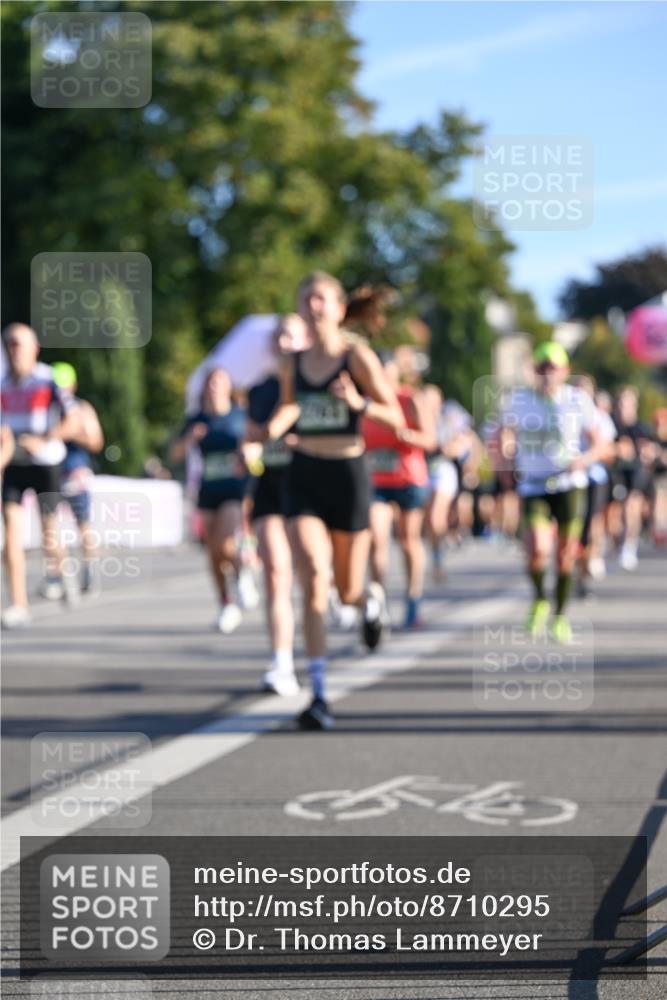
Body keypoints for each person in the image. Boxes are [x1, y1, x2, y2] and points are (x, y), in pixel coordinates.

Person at [261, 272, 404, 730]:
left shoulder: (356, 357)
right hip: (304, 474)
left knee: (346, 589)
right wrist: (273, 427)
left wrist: (359, 402)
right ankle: (319, 695)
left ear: (339, 308)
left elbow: (394, 416)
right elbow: (290, 405)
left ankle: (370, 601)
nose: (313, 306)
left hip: (348, 475)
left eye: (321, 298)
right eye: (306, 299)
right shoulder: (293, 362)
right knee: (313, 577)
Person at [498, 342, 602, 644]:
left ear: (565, 371)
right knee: (537, 550)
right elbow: (503, 430)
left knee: (567, 555)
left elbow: (600, 442)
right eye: (542, 368)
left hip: (569, 485)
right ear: (534, 371)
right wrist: (506, 452)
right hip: (534, 484)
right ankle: (539, 599)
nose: (547, 374)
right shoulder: (520, 400)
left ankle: (559, 615)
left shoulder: (577, 400)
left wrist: (584, 459)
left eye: (552, 368)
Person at [243, 315, 310, 697]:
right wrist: (250, 448)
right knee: (275, 572)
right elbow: (252, 435)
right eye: (280, 336)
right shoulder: (259, 389)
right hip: (271, 485)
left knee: (311, 570)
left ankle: (342, 596)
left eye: (292, 336)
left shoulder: (317, 383)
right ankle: (281, 663)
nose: (286, 342)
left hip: (311, 486)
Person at [1, 323, 80, 628]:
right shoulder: (3, 383)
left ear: (35, 348)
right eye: (9, 344)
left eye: (19, 344)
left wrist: (45, 439)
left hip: (45, 463)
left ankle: (63, 570)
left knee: (49, 533)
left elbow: (73, 420)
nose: (13, 350)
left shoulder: (48, 380)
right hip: (14, 464)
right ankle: (19, 605)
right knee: (11, 532)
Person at [170, 367, 256, 633]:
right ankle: (225, 603)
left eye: (220, 382)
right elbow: (174, 454)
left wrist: (249, 454)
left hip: (235, 489)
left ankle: (242, 574)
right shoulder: (197, 419)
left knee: (226, 543)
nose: (215, 387)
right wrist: (189, 439)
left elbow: (255, 445)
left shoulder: (240, 416)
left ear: (229, 387)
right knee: (213, 552)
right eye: (211, 383)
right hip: (208, 490)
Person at [363, 349, 435, 629]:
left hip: (409, 479)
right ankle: (378, 602)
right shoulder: (367, 405)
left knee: (408, 541)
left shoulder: (409, 400)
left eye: (385, 374)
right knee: (376, 538)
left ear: (394, 374)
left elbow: (430, 440)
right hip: (377, 481)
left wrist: (407, 435)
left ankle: (413, 597)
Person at [37, 363, 105, 598]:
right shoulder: (42, 408)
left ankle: (90, 569)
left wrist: (69, 430)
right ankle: (57, 575)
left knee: (82, 523)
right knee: (49, 527)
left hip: (74, 472)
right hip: (48, 472)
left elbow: (96, 442)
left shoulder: (81, 408)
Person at [571, 375, 616, 597]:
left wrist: (588, 456)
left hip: (593, 479)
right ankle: (568, 570)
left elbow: (609, 452)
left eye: (584, 392)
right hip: (568, 480)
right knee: (570, 529)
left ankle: (583, 577)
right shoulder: (563, 415)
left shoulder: (600, 418)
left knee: (589, 529)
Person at [610, 386, 658, 571]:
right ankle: (614, 545)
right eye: (621, 403)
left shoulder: (641, 428)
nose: (623, 408)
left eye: (627, 403)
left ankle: (629, 546)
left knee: (632, 508)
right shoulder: (611, 425)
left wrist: (648, 453)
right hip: (615, 474)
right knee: (614, 514)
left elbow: (652, 450)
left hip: (635, 473)